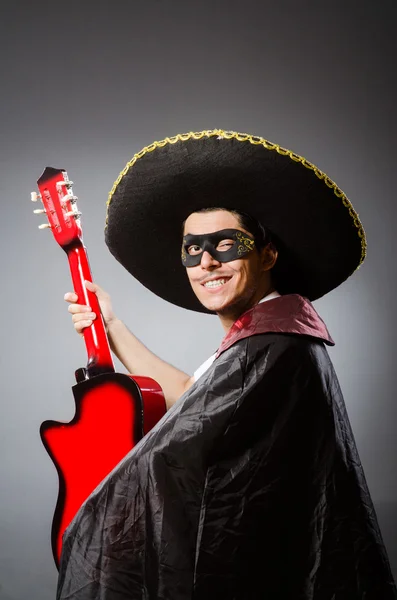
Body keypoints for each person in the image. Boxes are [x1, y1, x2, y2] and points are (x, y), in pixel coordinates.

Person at [57, 130, 397, 599]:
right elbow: (191, 401)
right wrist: (112, 326)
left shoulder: (273, 349)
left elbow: (174, 454)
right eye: (192, 248)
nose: (207, 262)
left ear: (267, 254)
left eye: (227, 244)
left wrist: (96, 517)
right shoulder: (261, 342)